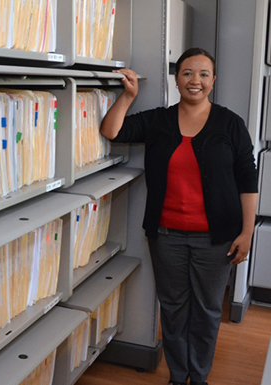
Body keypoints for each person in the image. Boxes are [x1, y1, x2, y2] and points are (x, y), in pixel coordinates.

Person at [99, 47, 259, 385]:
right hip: (167, 235)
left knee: (207, 310)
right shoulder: (159, 120)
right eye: (187, 73)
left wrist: (247, 232)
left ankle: (197, 377)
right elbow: (112, 131)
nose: (195, 80)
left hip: (216, 239)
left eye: (203, 74)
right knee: (173, 309)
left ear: (213, 81)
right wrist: (128, 97)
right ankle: (178, 375)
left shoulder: (230, 124)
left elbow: (248, 179)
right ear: (176, 79)